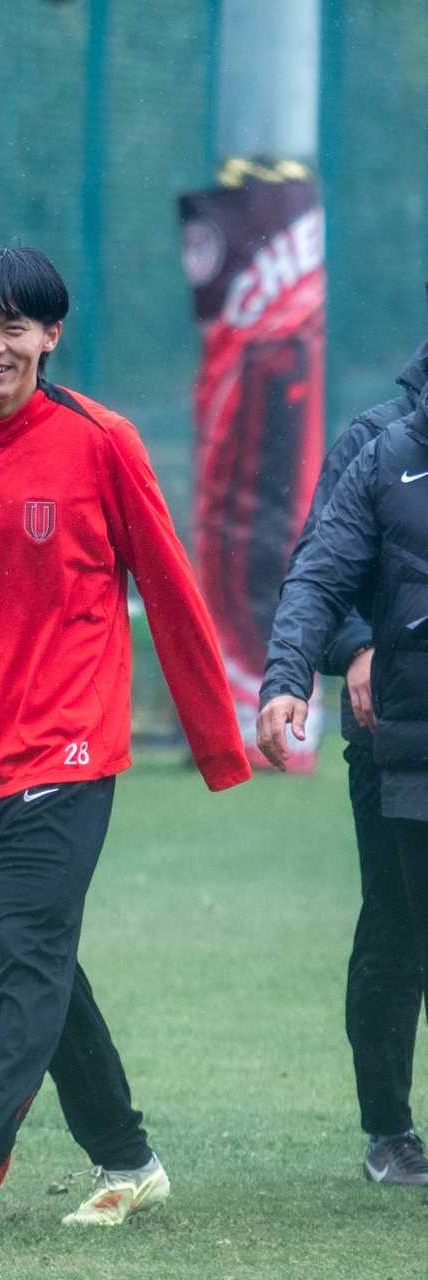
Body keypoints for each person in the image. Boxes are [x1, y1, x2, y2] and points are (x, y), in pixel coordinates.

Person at [0, 246, 252, 1228]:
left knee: (28, 948)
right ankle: (129, 1157)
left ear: (49, 335)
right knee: (40, 962)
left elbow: (169, 585)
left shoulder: (101, 440)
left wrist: (216, 741)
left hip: (70, 741)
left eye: (14, 326)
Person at [257, 376, 428, 1202]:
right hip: (392, 733)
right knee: (395, 931)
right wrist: (358, 647)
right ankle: (388, 1127)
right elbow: (319, 572)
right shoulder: (378, 441)